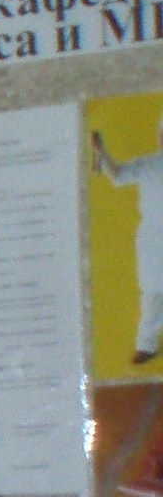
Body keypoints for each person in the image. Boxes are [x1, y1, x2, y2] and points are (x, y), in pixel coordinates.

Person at [93, 126, 163, 365]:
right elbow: (118, 176)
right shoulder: (148, 164)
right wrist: (102, 153)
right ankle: (146, 345)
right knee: (154, 292)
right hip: (155, 240)